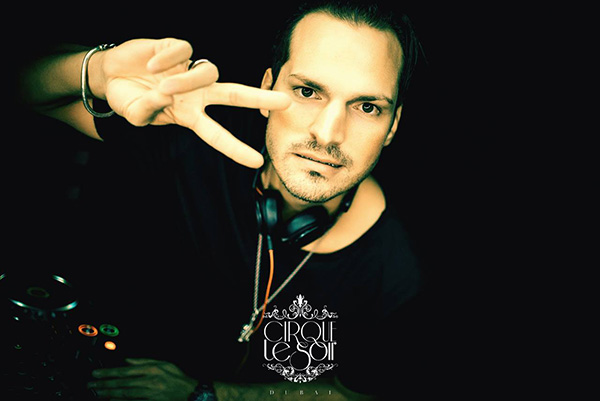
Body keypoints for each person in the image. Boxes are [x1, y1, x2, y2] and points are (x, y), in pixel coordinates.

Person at [16, 1, 423, 399]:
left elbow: (350, 393)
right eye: (307, 91)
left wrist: (205, 393)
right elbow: (22, 89)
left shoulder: (398, 272)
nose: (329, 133)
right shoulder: (190, 129)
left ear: (393, 125)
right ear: (267, 87)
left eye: (367, 106)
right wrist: (98, 71)